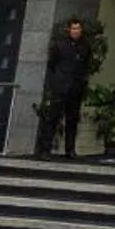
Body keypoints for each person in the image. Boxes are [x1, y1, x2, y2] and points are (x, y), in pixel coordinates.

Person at [36, 16, 92, 160]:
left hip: (76, 86)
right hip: (60, 85)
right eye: (73, 28)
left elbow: (86, 65)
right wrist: (55, 83)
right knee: (53, 118)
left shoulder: (85, 46)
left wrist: (82, 82)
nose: (76, 31)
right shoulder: (60, 45)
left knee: (72, 119)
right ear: (69, 30)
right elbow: (52, 64)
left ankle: (70, 149)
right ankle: (45, 149)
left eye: (78, 28)